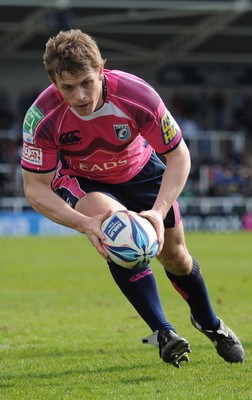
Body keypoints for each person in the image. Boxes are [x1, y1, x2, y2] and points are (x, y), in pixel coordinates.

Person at [21, 29, 245, 368]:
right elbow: (35, 187)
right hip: (84, 180)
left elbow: (179, 156)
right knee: (121, 238)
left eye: (86, 82)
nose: (80, 96)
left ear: (101, 69)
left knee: (176, 257)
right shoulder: (42, 118)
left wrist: (158, 212)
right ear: (53, 82)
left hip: (141, 171)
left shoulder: (137, 95)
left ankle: (209, 323)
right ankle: (164, 331)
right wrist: (85, 223)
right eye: (67, 87)